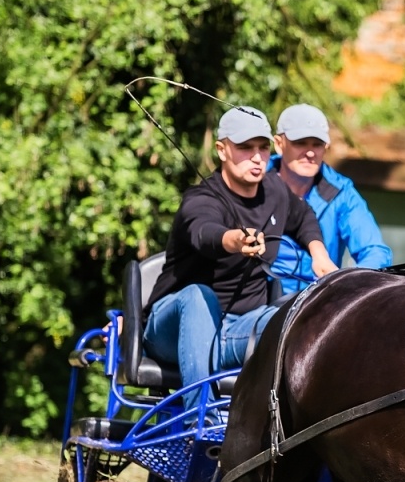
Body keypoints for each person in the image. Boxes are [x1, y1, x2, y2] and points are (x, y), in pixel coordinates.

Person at [144, 106, 339, 387]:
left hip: (238, 331)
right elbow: (205, 233)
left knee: (300, 316)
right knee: (200, 297)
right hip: (172, 332)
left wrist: (319, 254)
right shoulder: (200, 200)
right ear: (222, 150)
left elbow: (303, 217)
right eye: (245, 148)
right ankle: (196, 418)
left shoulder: (275, 190)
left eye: (262, 147)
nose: (257, 157)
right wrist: (236, 240)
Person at [269, 103, 391, 292]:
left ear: (326, 147)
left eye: (316, 144)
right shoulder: (254, 182)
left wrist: (343, 282)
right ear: (279, 144)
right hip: (256, 302)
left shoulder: (341, 193)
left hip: (317, 303)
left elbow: (376, 252)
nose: (310, 152)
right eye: (300, 142)